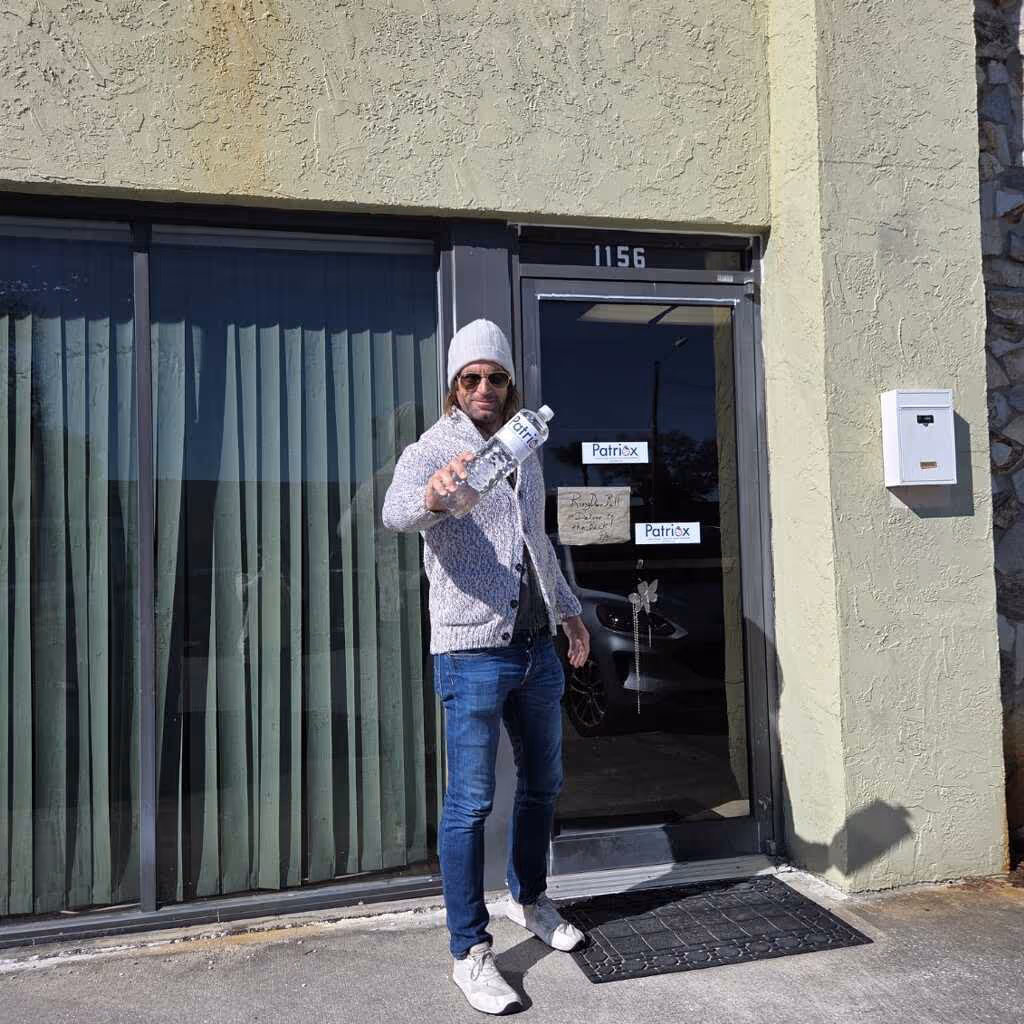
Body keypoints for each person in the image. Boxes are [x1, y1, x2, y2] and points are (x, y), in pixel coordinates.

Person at [382, 318, 591, 1015]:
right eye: (470, 378)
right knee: (470, 803)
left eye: (494, 378)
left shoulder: (523, 447)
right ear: (454, 385)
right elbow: (395, 513)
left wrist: (567, 611)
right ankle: (469, 952)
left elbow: (536, 536)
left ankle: (528, 898)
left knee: (542, 786)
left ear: (509, 385)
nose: (483, 388)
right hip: (472, 649)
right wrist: (436, 497)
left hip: (535, 647)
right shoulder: (433, 448)